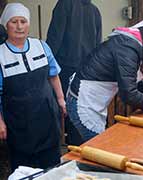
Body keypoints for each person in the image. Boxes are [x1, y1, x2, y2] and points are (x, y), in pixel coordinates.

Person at [66, 14, 143, 146]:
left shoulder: (131, 45)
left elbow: (132, 81)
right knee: (96, 150)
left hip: (89, 100)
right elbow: (128, 94)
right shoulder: (127, 48)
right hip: (83, 103)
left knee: (94, 149)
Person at [0, 3, 66, 172]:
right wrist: (0, 122)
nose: (19, 26)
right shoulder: (1, 54)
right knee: (24, 169)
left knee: (52, 166)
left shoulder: (41, 46)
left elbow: (53, 75)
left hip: (47, 117)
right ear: (6, 25)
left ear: (28, 24)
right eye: (14, 22)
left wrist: (60, 99)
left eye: (23, 21)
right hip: (18, 122)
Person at [46, 0, 102, 144]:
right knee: (81, 113)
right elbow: (97, 46)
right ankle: (80, 150)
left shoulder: (65, 4)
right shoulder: (95, 11)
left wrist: (46, 66)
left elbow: (54, 39)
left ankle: (68, 151)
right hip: (86, 72)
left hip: (64, 69)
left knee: (63, 110)